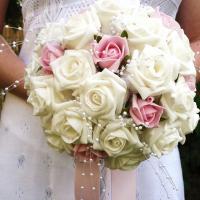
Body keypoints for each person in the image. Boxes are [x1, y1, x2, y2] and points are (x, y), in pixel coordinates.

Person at [0, 0, 199, 199]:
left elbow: (197, 40)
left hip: (146, 139)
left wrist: (153, 89)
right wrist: (49, 92)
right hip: (35, 130)